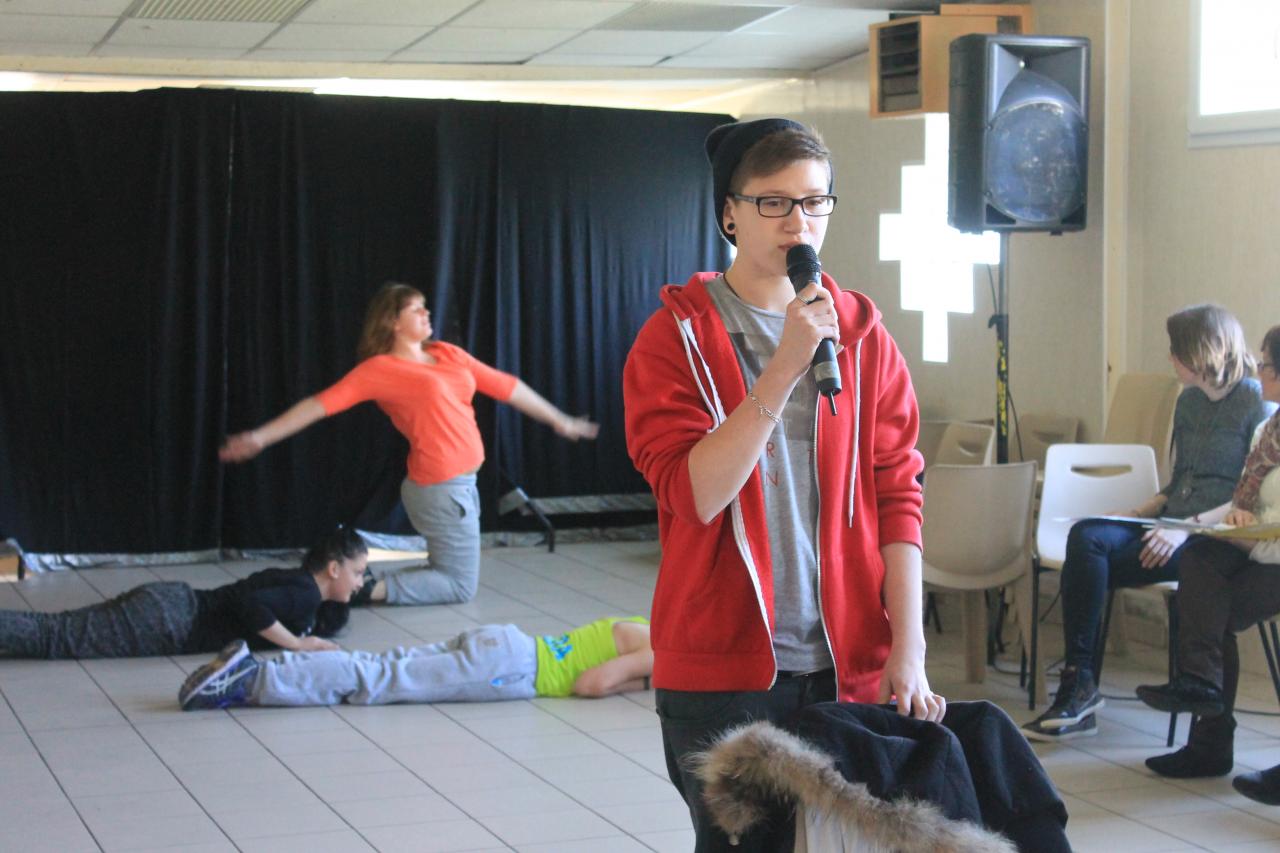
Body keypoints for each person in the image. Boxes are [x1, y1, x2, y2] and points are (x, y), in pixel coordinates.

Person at [622, 117, 940, 852]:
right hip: (724, 672)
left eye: (815, 202)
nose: (799, 223)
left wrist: (909, 646)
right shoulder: (676, 338)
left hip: (845, 662)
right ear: (729, 213)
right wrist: (785, 364)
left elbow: (899, 495)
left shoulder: (862, 336)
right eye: (774, 202)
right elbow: (696, 493)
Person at [220, 281, 599, 607]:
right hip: (440, 489)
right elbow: (319, 405)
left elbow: (507, 386)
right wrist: (259, 437)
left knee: (447, 571)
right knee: (459, 586)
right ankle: (360, 591)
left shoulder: (447, 353)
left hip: (460, 486)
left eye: (425, 307)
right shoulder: (380, 370)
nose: (426, 313)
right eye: (416, 309)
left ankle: (354, 583)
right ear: (392, 321)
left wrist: (559, 419)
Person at [1023, 305, 1267, 742]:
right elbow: (1179, 482)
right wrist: (1137, 512)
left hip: (1213, 537)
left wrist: (1185, 528)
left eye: (1175, 350)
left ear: (1200, 351)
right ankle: (1079, 684)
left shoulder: (1254, 401)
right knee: (1088, 537)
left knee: (1100, 562)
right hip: (1171, 524)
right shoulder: (1188, 403)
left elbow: (1248, 494)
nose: (1170, 358)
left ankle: (1087, 691)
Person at [1136, 325, 1280, 782]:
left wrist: (1251, 533)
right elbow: (1247, 494)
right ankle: (1202, 700)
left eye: (1266, 364)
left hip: (1273, 555)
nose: (1259, 370)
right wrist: (1237, 516)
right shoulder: (1269, 429)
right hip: (1259, 545)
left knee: (1206, 611)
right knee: (1199, 561)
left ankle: (1208, 729)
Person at [0, 526, 367, 659]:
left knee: (54, 629)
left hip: (168, 605)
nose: (360, 582)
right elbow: (251, 605)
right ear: (333, 568)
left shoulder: (297, 583)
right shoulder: (305, 593)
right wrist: (296, 644)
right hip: (170, 622)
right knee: (53, 637)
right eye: (357, 573)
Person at [177, 616, 651, 709]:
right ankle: (249, 681)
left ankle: (264, 668)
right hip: (514, 669)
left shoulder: (641, 621)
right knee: (378, 679)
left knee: (379, 663)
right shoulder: (661, 648)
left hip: (506, 641)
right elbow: (591, 683)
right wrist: (646, 683)